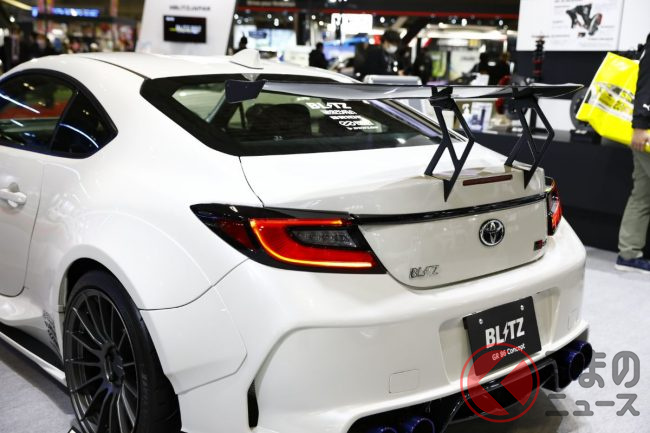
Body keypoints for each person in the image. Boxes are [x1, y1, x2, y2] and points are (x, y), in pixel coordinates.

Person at [616, 32, 650, 273]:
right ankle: (628, 253)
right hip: (645, 131)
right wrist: (640, 125)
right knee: (642, 194)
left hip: (644, 130)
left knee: (642, 193)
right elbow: (646, 83)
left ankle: (628, 254)